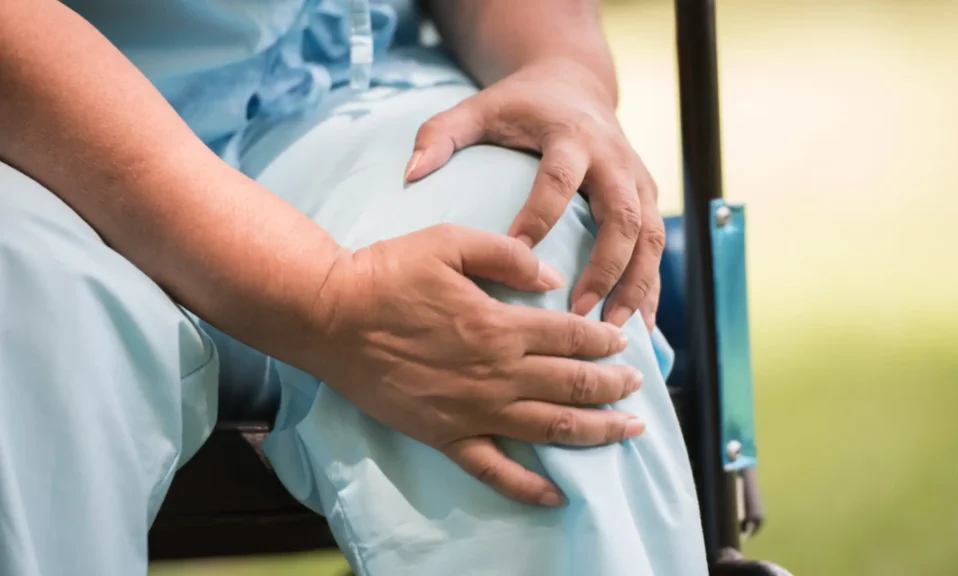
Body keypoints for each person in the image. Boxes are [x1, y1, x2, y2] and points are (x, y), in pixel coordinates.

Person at [0, 1, 707, 574]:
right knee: (23, 322)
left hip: (351, 90)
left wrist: (561, 66)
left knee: (522, 263)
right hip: (40, 135)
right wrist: (325, 296)